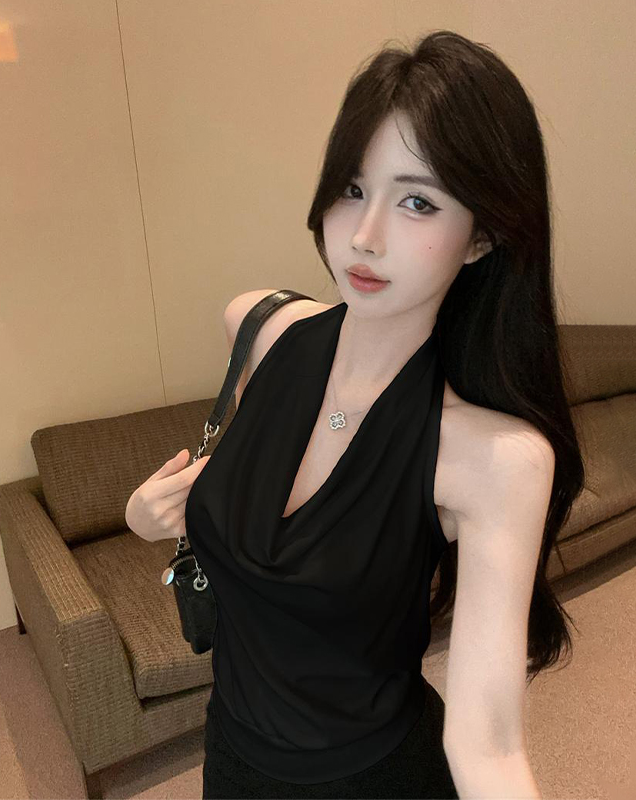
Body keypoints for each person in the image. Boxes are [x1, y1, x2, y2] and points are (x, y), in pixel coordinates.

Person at [186, 29, 584, 799]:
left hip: (374, 780)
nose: (365, 238)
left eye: (417, 202)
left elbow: (490, 747)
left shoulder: (493, 459)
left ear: (483, 236)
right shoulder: (258, 328)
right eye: (350, 189)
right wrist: (149, 508)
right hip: (230, 758)